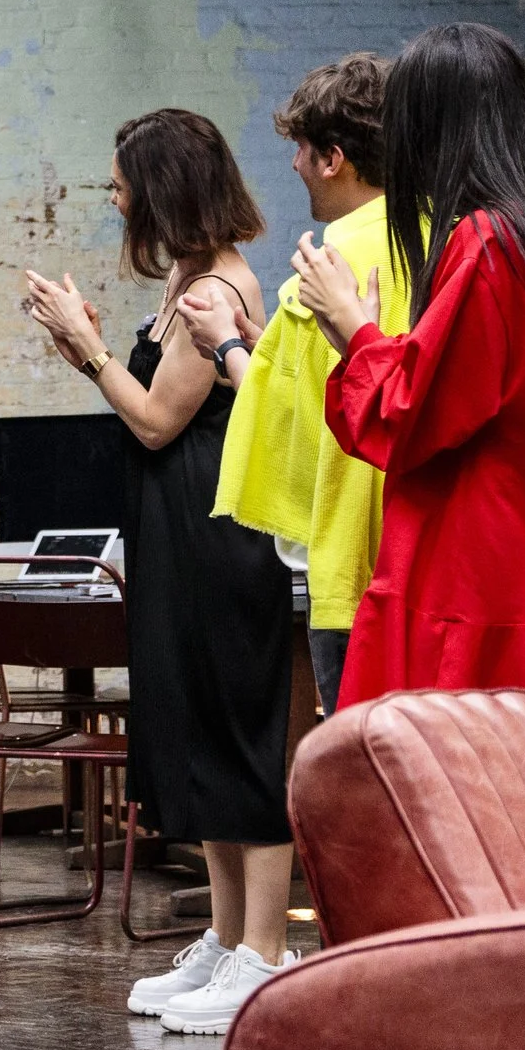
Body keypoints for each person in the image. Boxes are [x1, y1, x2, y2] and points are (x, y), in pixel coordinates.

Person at [20, 110, 299, 1036]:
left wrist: (92, 349)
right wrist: (83, 348)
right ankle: (227, 938)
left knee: (238, 733)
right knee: (198, 731)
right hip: (176, 533)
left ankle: (265, 954)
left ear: (161, 188)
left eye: (121, 184)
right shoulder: (186, 276)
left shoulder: (217, 286)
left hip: (219, 535)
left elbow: (152, 421)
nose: (114, 198)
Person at [301, 22, 525, 699]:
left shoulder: (488, 243)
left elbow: (416, 414)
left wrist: (353, 329)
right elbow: (459, 387)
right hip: (513, 570)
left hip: (468, 577)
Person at [181, 52, 407, 719]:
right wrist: (266, 347)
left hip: (356, 568)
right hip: (435, 570)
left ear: (334, 158)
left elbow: (292, 418)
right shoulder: (445, 241)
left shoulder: (326, 269)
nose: (294, 164)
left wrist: (226, 345)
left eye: (302, 149)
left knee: (364, 769)